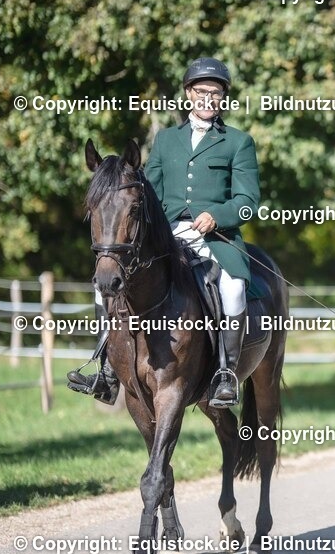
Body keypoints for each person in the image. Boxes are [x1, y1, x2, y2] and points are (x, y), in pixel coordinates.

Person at [68, 57, 259, 408]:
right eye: (201, 91)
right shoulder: (167, 140)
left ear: (223, 98)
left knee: (232, 291)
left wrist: (216, 215)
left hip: (216, 239)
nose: (208, 99)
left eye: (215, 93)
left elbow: (248, 202)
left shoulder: (238, 142)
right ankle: (105, 370)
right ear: (188, 94)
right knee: (104, 287)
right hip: (166, 236)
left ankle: (225, 373)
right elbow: (148, 192)